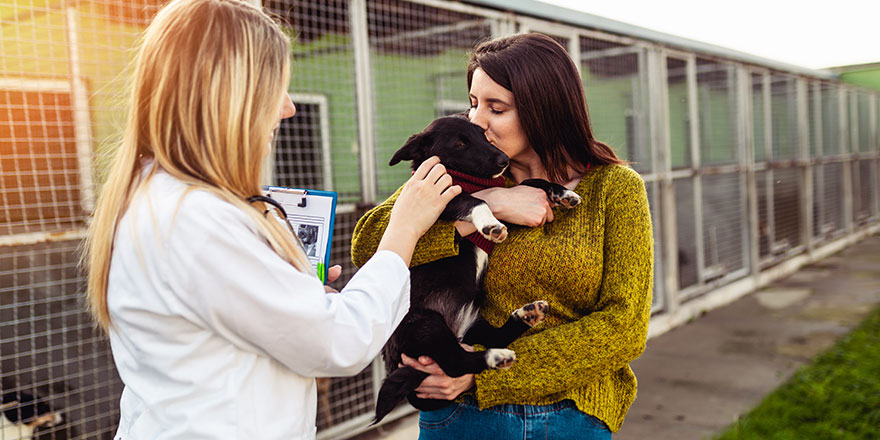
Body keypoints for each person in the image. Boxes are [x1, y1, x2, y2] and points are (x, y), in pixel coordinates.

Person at [81, 0, 460, 438]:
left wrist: (293, 295)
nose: (288, 109)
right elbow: (340, 341)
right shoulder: (198, 220)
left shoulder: (157, 199)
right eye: (275, 88)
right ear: (228, 96)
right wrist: (404, 230)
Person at [351, 33, 654, 439]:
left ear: (545, 109)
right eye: (474, 103)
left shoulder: (614, 189)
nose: (477, 121)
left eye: (497, 107)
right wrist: (490, 202)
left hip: (570, 416)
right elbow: (369, 245)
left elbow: (624, 326)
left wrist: (481, 373)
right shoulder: (460, 172)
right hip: (461, 418)